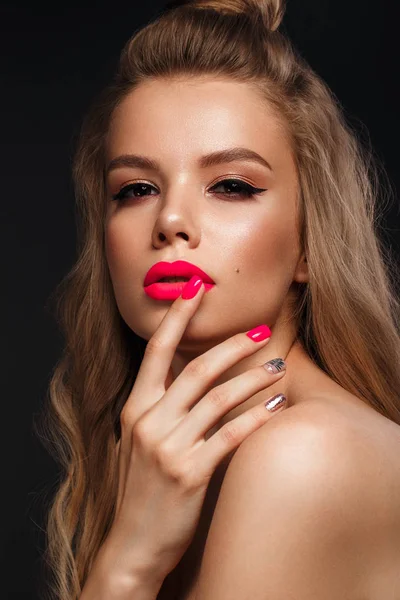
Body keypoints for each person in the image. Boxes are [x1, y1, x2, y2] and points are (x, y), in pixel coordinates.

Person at [35, 0, 400, 599]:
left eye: (231, 185)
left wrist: (125, 569)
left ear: (310, 243)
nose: (171, 219)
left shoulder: (303, 457)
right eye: (137, 189)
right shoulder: (166, 464)